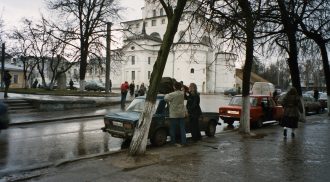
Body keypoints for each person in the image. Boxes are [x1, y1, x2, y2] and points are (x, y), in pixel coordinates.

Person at [164, 82, 187, 146]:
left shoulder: (172, 94)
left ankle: (173, 142)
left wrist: (166, 94)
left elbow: (165, 98)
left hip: (174, 114)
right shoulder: (182, 93)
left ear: (174, 87)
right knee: (182, 128)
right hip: (181, 113)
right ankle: (184, 142)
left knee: (172, 128)